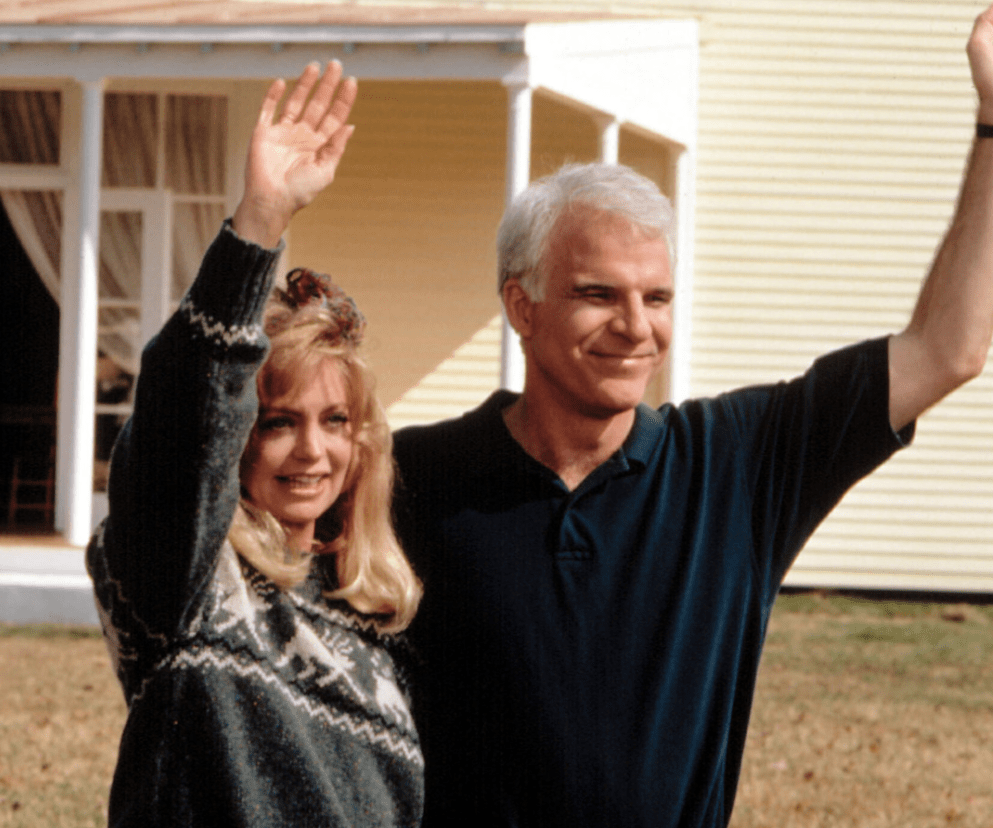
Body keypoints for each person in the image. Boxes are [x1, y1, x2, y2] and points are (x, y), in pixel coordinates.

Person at [390, 8, 993, 828]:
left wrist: (991, 121)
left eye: (657, 297)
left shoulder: (737, 466)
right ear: (521, 306)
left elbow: (946, 349)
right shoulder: (412, 477)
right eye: (598, 294)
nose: (635, 327)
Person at [87, 61, 424, 827]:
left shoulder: (379, 622)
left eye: (334, 422)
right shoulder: (184, 580)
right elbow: (180, 426)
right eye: (277, 422)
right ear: (233, 437)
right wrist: (259, 224)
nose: (311, 451)